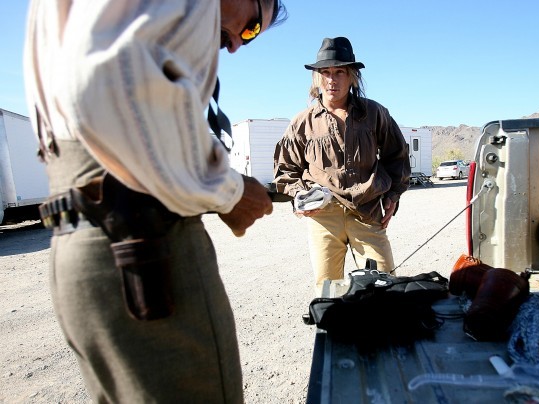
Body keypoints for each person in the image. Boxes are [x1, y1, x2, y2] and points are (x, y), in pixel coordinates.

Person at [23, 0, 286, 402]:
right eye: (251, 26)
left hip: (87, 241)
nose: (236, 47)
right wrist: (228, 191)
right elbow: (109, 86)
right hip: (143, 247)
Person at [273, 37, 411, 295]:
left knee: (384, 286)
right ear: (317, 78)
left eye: (339, 72)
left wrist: (393, 195)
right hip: (323, 215)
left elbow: (397, 155)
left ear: (352, 77)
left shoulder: (375, 113)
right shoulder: (302, 122)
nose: (331, 80)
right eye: (325, 72)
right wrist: (300, 196)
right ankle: (333, 332)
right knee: (329, 291)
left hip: (368, 211)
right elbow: (286, 171)